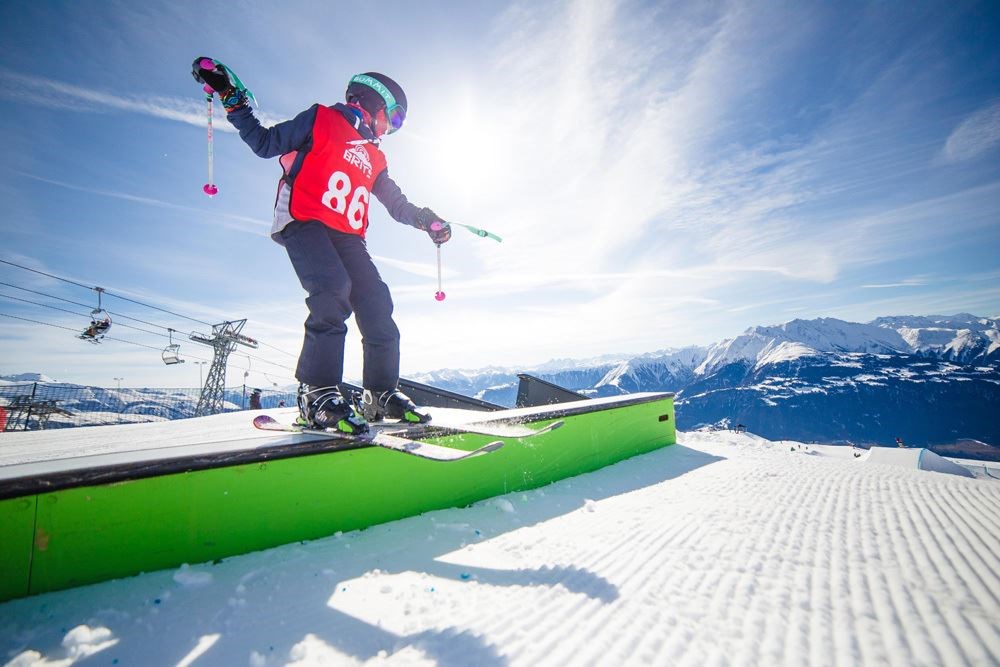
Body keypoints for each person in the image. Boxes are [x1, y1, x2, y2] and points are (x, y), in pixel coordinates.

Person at [193, 59, 450, 435]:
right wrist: (232, 98)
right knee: (332, 289)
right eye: (393, 118)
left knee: (376, 299)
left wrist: (426, 219)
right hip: (304, 220)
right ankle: (317, 396)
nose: (391, 129)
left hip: (347, 234)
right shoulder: (322, 119)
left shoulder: (376, 157)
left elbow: (396, 203)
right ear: (368, 102)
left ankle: (379, 394)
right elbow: (265, 143)